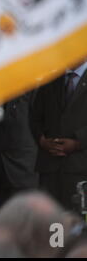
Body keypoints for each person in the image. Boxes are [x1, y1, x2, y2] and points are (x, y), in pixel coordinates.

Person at [30, 60, 87, 209]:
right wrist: (42, 141)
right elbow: (35, 118)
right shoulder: (51, 80)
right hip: (50, 170)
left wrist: (78, 142)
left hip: (81, 170)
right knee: (53, 225)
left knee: (78, 224)